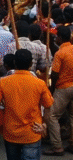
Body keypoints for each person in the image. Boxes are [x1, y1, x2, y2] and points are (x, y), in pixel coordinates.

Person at [0, 49, 52, 160]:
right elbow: (48, 106)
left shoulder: (3, 82)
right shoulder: (39, 83)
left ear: (14, 63)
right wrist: (44, 125)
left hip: (11, 132)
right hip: (32, 132)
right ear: (31, 64)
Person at [45, 25, 73, 155]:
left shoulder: (60, 53)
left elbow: (55, 74)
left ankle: (57, 147)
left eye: (56, 37)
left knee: (52, 116)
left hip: (64, 87)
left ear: (60, 38)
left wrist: (51, 90)